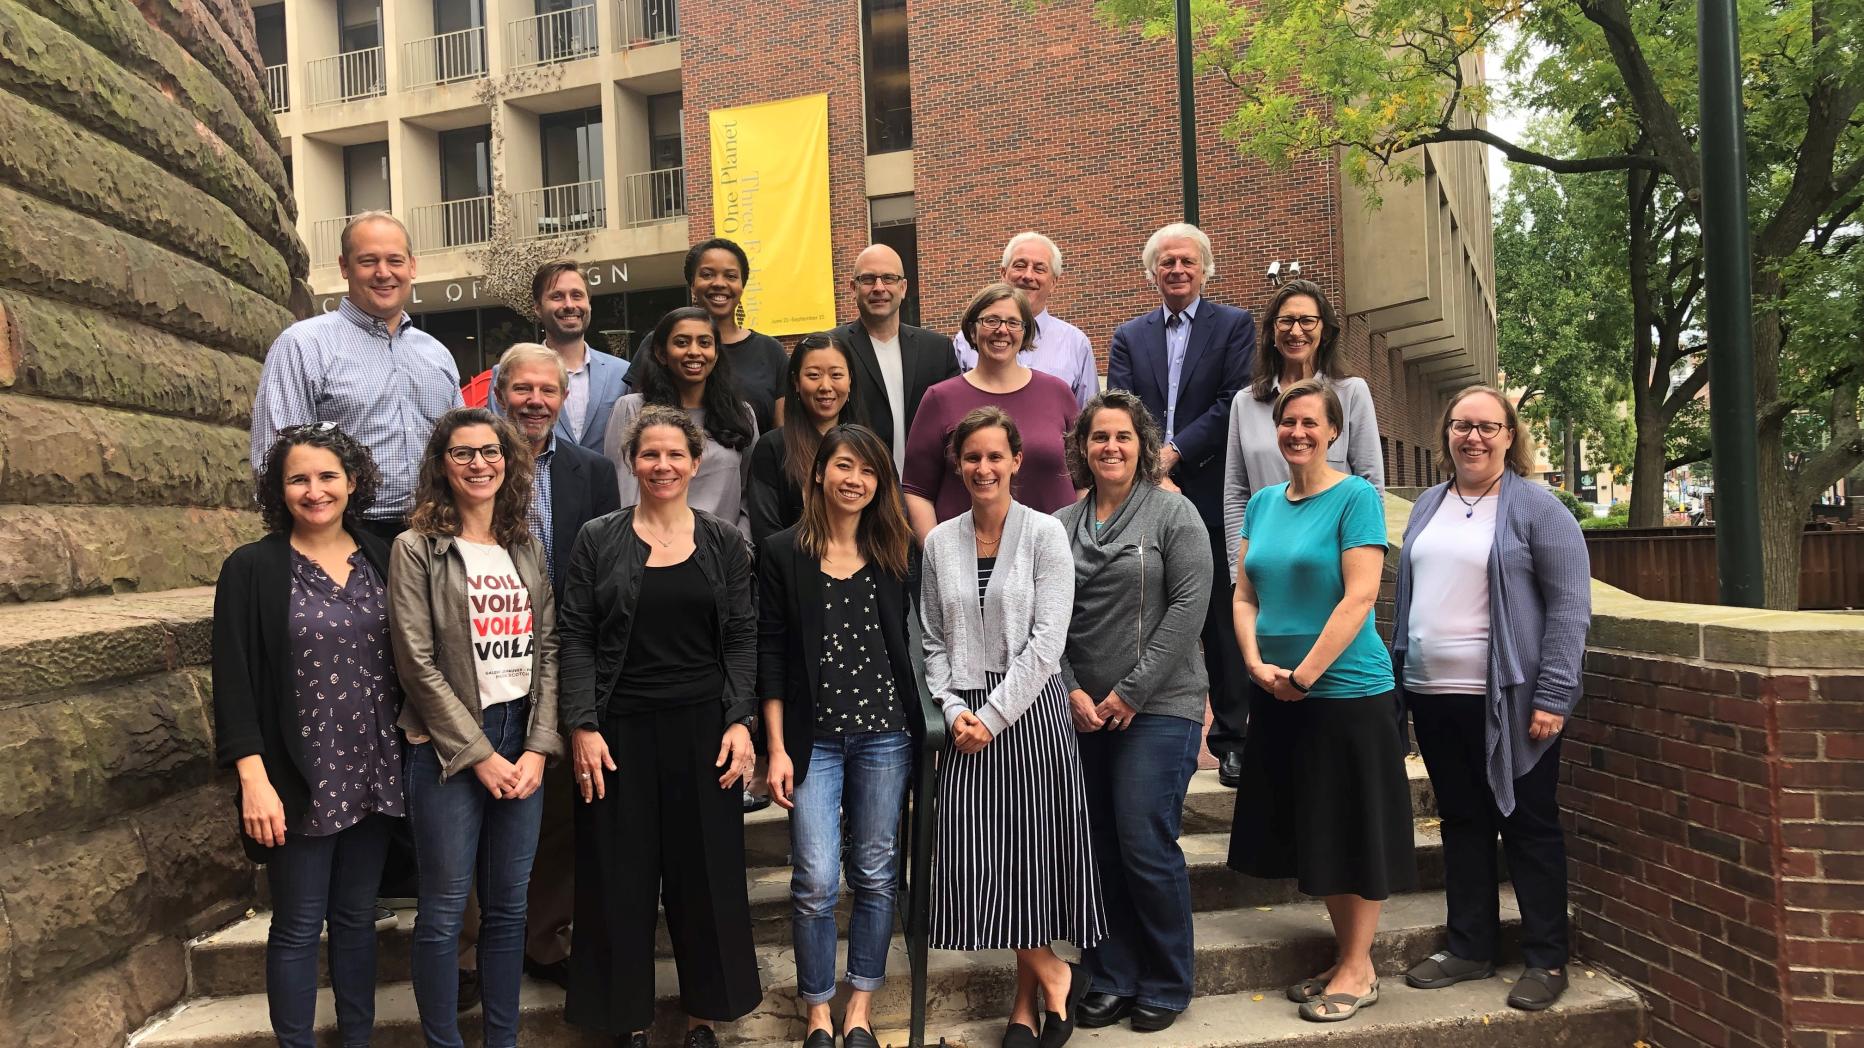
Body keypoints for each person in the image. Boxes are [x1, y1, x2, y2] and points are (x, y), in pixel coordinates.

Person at [560, 405, 762, 1048]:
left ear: (695, 462)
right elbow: (576, 637)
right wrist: (582, 725)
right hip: (618, 731)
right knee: (618, 876)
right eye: (650, 454)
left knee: (706, 874)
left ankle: (704, 1014)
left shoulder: (724, 541)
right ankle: (629, 1019)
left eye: (676, 454)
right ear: (631, 461)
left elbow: (740, 635)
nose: (663, 465)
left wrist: (740, 720)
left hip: (704, 728)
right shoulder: (599, 537)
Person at [1392, 385, 1591, 1012]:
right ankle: (1470, 947)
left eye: (1486, 426)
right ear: (1446, 434)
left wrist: (1554, 693)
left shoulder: (1539, 508)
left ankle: (1545, 956)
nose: (1472, 438)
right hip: (1434, 694)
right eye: (1461, 426)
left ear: (1509, 435)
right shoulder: (1428, 504)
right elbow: (1408, 600)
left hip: (1510, 697)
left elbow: (1569, 608)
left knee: (1529, 824)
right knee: (1462, 822)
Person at [1226, 378, 1415, 1024]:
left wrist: (1302, 675)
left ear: (1334, 431)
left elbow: (1359, 597)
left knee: (1354, 829)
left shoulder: (1356, 498)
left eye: (1311, 423)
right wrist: (1254, 663)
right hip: (1279, 693)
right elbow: (1245, 593)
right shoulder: (1263, 505)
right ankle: (1345, 956)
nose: (1297, 433)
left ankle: (1361, 969)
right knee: (1320, 830)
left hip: (1343, 693)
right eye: (1288, 423)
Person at [212, 423, 402, 1048]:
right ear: (279, 487)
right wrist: (253, 779)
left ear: (352, 482)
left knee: (354, 920)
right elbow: (234, 680)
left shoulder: (382, 554)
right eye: (299, 478)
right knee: (297, 924)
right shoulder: (253, 568)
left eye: (327, 476)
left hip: (374, 767)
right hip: (297, 775)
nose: (314, 490)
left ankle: (357, 1039)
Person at [921, 406, 1104, 1048]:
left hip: (1029, 719)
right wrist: (950, 710)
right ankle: (1055, 973)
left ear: (1018, 461)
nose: (983, 467)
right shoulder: (938, 541)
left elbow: (1049, 640)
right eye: (972, 456)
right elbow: (932, 639)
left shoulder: (1046, 534)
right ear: (957, 463)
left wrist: (995, 715)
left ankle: (1027, 1007)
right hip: (963, 720)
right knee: (982, 868)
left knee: (1032, 866)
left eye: (996, 455)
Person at [388, 407, 562, 1048]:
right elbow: (416, 663)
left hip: (523, 735)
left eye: (490, 452)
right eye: (463, 453)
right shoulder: (417, 548)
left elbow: (550, 646)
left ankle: (502, 1039)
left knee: (510, 908)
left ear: (508, 462)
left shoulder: (524, 544)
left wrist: (540, 746)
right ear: (442, 465)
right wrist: (479, 752)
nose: (479, 463)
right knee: (443, 909)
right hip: (447, 746)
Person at [757, 424, 922, 1048]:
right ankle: (818, 1009)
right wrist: (776, 747)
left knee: (877, 872)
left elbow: (917, 641)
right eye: (845, 466)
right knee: (817, 879)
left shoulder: (896, 550)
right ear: (820, 472)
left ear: (880, 484)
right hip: (813, 740)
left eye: (869, 471)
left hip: (885, 735)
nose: (855, 480)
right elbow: (769, 653)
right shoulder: (781, 552)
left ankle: (860, 1007)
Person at [1053, 392, 1211, 1034]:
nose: (1110, 448)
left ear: (1143, 446)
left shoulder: (1175, 515)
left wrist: (1130, 693)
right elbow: (1044, 619)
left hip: (1160, 706)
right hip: (1081, 710)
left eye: (1122, 437)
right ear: (1082, 449)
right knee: (1094, 848)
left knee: (1143, 840)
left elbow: (1188, 610)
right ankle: (1112, 974)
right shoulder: (1059, 525)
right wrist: (1070, 689)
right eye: (1098, 438)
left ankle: (1168, 978)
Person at [489, 342, 621, 989]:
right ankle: (469, 955)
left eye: (548, 390)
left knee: (564, 808)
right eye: (523, 389)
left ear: (564, 399)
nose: (535, 401)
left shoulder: (593, 472)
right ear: (500, 391)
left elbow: (602, 572)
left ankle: (543, 938)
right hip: (487, 658)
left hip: (568, 653)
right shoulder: (472, 463)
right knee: (477, 797)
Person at [1107, 222, 1255, 789]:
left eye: (1187, 262)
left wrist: (1171, 455)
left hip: (1211, 489)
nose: (1176, 270)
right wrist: (1149, 465)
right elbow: (1120, 404)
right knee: (1140, 608)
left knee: (1219, 617)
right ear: (1152, 272)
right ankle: (1133, 723)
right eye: (1166, 262)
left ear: (1204, 268)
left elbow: (1231, 401)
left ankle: (1232, 740)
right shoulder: (1129, 335)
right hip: (1142, 492)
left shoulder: (1234, 326)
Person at [250, 211, 463, 544]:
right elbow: (275, 458)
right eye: (368, 261)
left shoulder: (438, 355)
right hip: (342, 537)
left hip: (433, 536)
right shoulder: (303, 345)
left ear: (412, 266)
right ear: (344, 267)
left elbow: (459, 447)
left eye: (395, 260)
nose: (383, 273)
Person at [1223, 278, 1382, 572]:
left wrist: (1363, 567)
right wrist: (1239, 572)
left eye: (1307, 320)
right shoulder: (1244, 403)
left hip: (1332, 565)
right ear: (1272, 331)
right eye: (1286, 321)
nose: (1296, 331)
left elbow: (1371, 484)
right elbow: (1235, 494)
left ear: (1325, 330)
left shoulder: (1351, 392)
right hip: (1267, 565)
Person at [903, 285, 1079, 538]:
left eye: (1013, 322)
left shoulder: (1058, 393)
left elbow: (1083, 481)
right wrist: (937, 556)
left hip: (1051, 555)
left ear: (1025, 332)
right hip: (967, 558)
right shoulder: (939, 399)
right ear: (972, 331)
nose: (1002, 330)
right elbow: (917, 490)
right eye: (991, 321)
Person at [603, 307, 759, 539]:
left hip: (721, 556)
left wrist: (741, 548)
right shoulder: (632, 409)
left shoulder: (740, 414)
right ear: (661, 353)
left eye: (705, 343)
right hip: (648, 555)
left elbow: (749, 495)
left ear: (716, 353)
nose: (694, 352)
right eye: (682, 342)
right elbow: (620, 493)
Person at [832, 243, 960, 470]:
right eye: (868, 279)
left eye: (889, 278)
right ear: (853, 288)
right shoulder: (831, 349)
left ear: (903, 287)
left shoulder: (938, 350)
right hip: (858, 492)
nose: (879, 287)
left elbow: (955, 423)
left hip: (925, 493)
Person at [490, 260, 631, 453]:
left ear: (588, 304)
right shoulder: (507, 374)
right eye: (557, 296)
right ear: (538, 308)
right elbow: (500, 443)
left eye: (577, 295)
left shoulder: (622, 374)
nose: (569, 305)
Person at [953, 232, 1098, 409]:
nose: (1028, 275)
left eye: (1039, 269)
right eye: (1020, 266)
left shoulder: (1076, 344)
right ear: (1003, 273)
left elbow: (1088, 419)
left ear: (1054, 282)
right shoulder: (967, 340)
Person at [747, 333, 865, 547]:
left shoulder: (868, 446)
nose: (826, 386)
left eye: (836, 375)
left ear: (850, 382)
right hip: (795, 572)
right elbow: (766, 533)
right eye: (813, 375)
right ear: (796, 382)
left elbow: (890, 516)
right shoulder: (773, 447)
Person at [673, 237, 789, 434]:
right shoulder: (666, 345)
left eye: (731, 276)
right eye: (707, 274)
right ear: (692, 284)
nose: (719, 283)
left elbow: (783, 435)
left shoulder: (771, 352)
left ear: (742, 286)